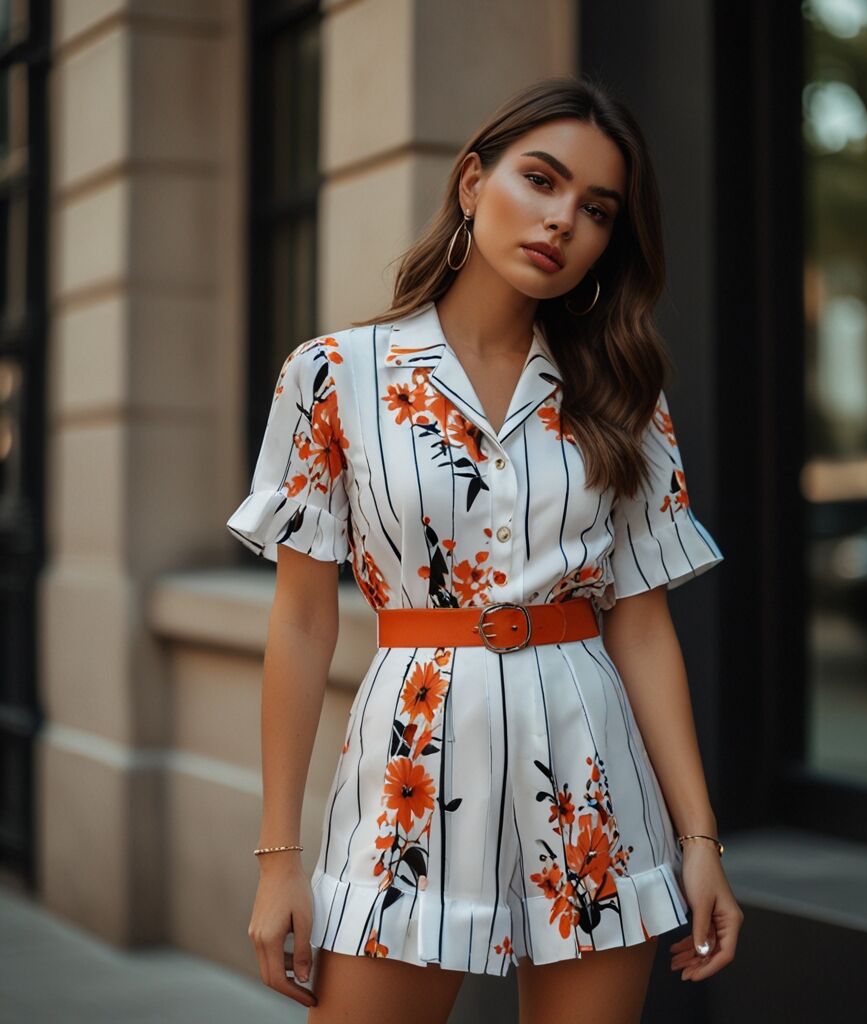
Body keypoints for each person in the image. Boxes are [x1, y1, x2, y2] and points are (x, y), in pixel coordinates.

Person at [227, 73, 743, 1023]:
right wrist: (277, 860)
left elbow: (640, 624)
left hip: (593, 782)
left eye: (595, 210)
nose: (561, 223)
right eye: (539, 181)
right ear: (472, 184)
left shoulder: (625, 394)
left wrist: (700, 838)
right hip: (409, 767)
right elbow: (301, 623)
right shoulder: (334, 378)